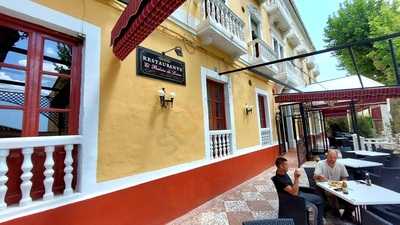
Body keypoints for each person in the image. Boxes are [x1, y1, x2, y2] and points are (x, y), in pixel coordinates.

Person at [272, 157, 324, 225]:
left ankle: (319, 221)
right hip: (294, 199)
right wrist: (296, 178)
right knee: (316, 204)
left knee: (319, 198)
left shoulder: (283, 173)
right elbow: (294, 193)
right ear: (281, 166)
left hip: (298, 194)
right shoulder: (279, 180)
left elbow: (292, 187)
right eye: (286, 165)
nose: (288, 166)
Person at [314, 149, 353, 221]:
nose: (332, 159)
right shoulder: (320, 163)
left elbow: (344, 177)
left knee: (351, 194)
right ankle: (336, 213)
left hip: (337, 185)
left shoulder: (340, 165)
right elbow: (315, 176)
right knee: (331, 194)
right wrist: (319, 176)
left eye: (335, 157)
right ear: (327, 156)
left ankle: (347, 214)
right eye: (330, 157)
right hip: (324, 187)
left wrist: (343, 184)